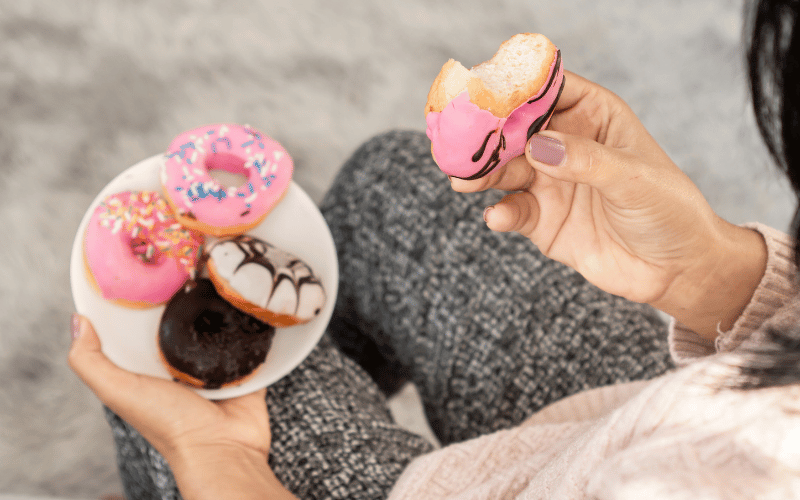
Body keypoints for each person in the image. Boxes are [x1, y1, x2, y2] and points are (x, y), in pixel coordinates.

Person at [69, 0, 800, 497]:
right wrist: (714, 275)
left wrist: (221, 463)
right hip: (657, 412)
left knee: (162, 373)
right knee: (394, 182)